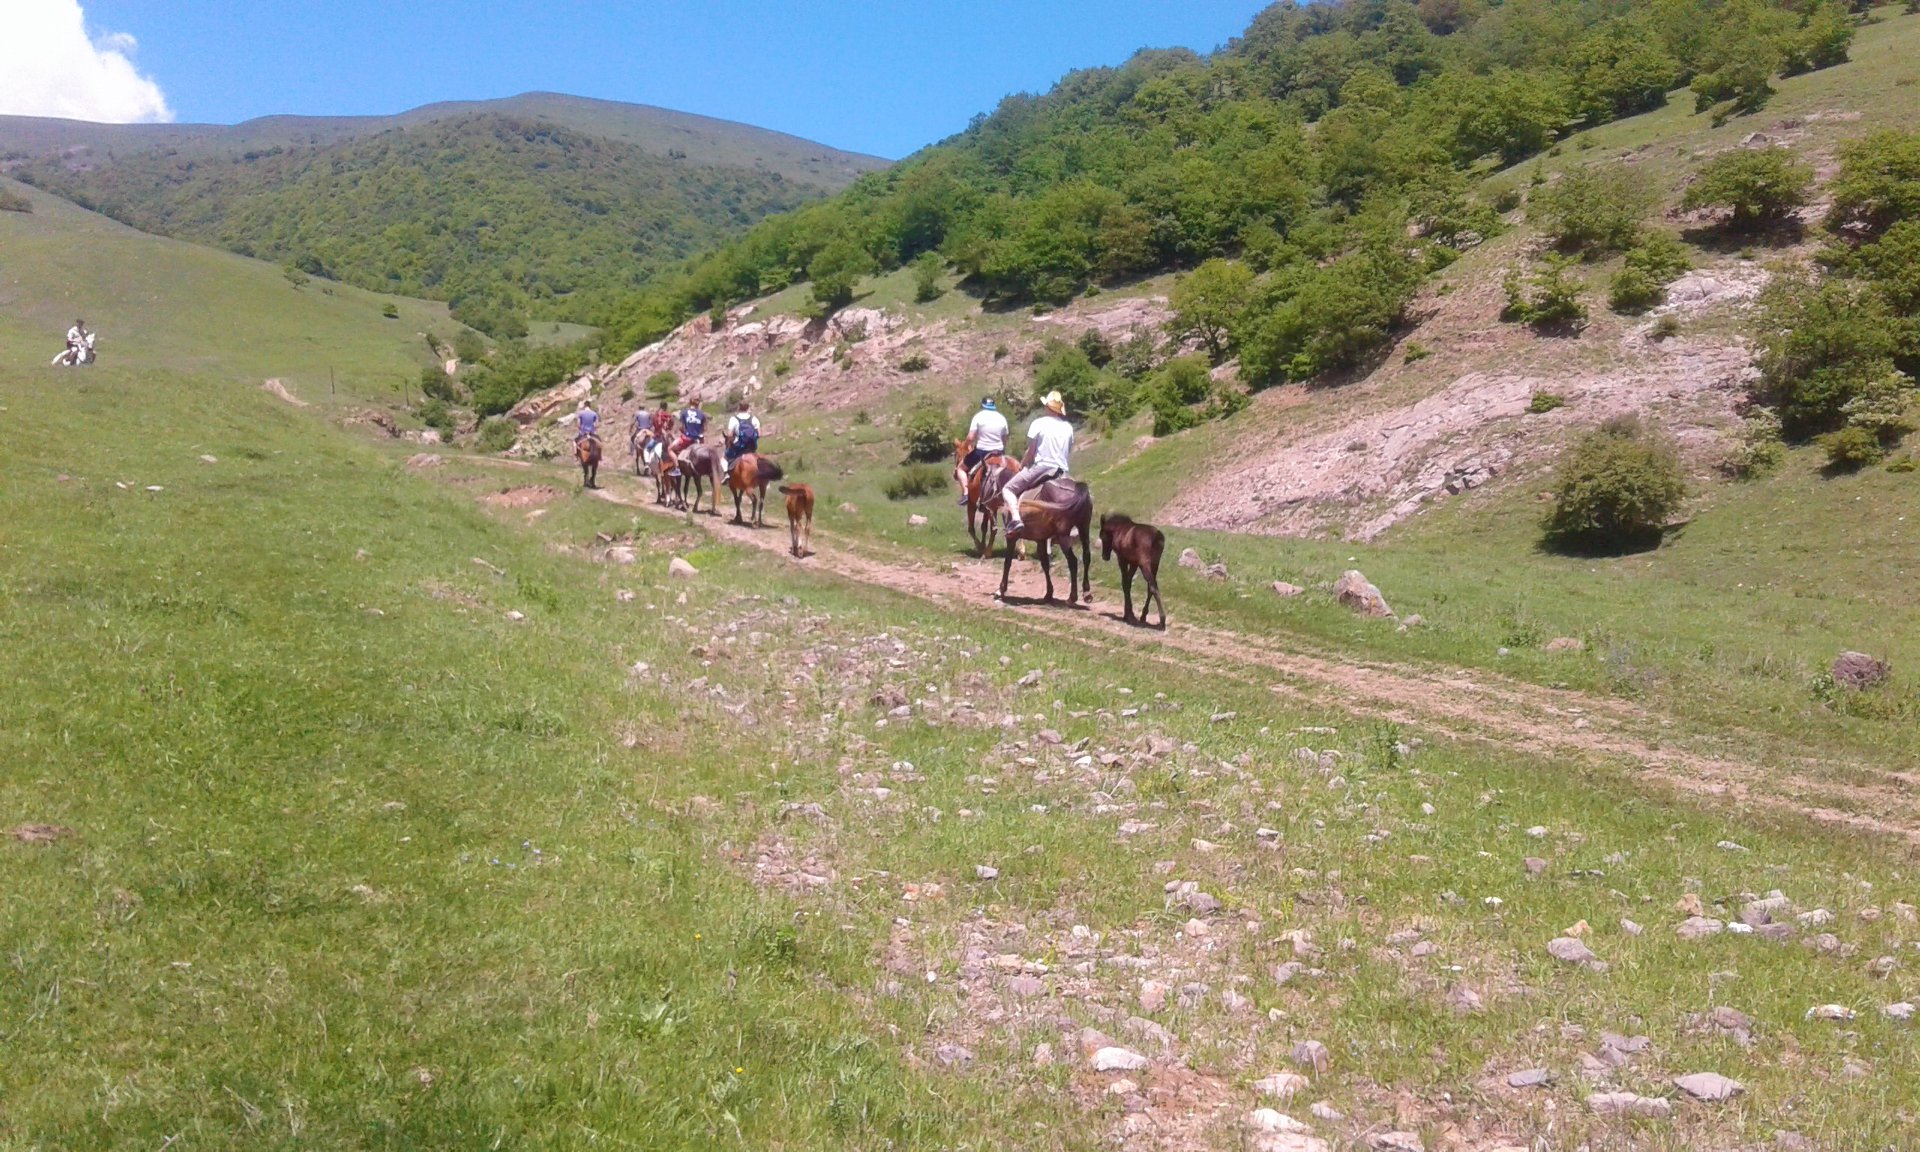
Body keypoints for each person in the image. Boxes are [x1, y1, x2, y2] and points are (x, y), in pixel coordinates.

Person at [1002, 391, 1074, 535]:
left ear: (1047, 407)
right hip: (1062, 470)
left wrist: (1022, 465)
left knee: (1008, 489)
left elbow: (1031, 452)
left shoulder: (1038, 423)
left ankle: (1016, 519)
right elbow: (1068, 450)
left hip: (1042, 467)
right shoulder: (1068, 427)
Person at [958, 395, 1009, 506]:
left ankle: (966, 493)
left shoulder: (978, 417)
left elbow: (971, 437)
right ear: (993, 405)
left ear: (982, 405)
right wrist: (1002, 449)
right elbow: (1005, 438)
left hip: (981, 452)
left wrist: (966, 445)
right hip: (998, 453)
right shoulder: (1002, 418)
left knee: (960, 469)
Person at [725, 399, 760, 466]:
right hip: (752, 446)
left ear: (739, 407)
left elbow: (729, 435)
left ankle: (726, 474)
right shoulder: (754, 418)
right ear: (748, 407)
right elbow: (759, 434)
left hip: (739, 447)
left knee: (726, 456)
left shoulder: (734, 419)